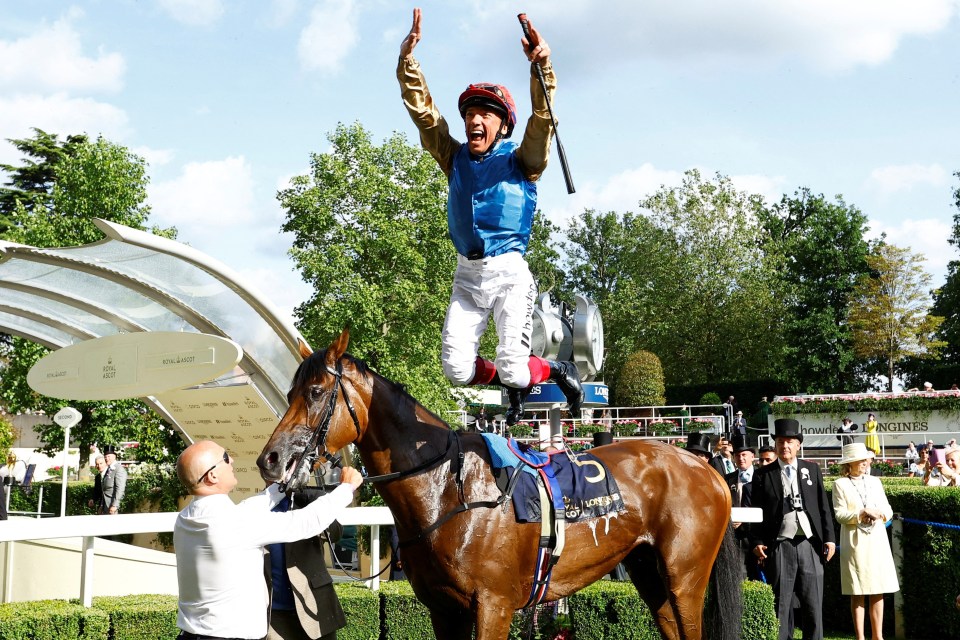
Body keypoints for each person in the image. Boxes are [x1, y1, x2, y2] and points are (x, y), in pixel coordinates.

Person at [397, 7, 583, 426]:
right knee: (456, 370)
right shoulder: (454, 156)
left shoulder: (524, 161)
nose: (473, 120)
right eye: (469, 114)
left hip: (509, 276)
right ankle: (510, 380)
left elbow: (542, 121)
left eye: (485, 114)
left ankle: (555, 370)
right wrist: (408, 63)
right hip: (467, 276)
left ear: (502, 125)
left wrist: (542, 68)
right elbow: (425, 116)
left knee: (518, 370)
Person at [174, 440, 363, 640]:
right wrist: (347, 488)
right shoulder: (235, 523)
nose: (232, 461)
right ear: (212, 475)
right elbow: (306, 522)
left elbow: (247, 508)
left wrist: (283, 483)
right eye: (225, 458)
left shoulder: (186, 518)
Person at [750, 418, 836, 640]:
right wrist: (758, 541)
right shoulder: (762, 474)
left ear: (798, 444)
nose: (784, 446)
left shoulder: (812, 470)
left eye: (789, 441)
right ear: (776, 445)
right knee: (781, 604)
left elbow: (823, 507)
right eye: (780, 441)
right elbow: (756, 512)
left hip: (810, 544)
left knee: (813, 602)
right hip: (780, 545)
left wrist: (829, 538)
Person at [832, 443, 899, 640]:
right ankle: (860, 637)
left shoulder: (875, 482)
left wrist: (880, 514)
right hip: (856, 543)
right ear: (849, 463)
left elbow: (888, 509)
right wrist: (862, 513)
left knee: (878, 589)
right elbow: (840, 515)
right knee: (858, 590)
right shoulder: (840, 484)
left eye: (866, 459)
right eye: (860, 459)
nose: (865, 462)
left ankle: (878, 637)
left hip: (877, 540)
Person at [266, 489, 346, 640]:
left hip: (315, 605)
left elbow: (336, 533)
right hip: (274, 615)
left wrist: (316, 502)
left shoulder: (307, 503)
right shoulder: (257, 507)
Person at [726, 436, 758, 580]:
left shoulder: (763, 476)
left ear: (752, 456)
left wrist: (745, 521)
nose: (741, 458)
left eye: (744, 454)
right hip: (734, 536)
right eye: (737, 455)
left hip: (757, 534)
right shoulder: (727, 479)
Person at [96, 445, 127, 514]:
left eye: (109, 456)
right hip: (105, 506)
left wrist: (115, 505)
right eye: (105, 457)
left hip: (113, 506)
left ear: (114, 456)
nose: (107, 458)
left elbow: (120, 489)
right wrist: (101, 505)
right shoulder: (109, 469)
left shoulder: (119, 469)